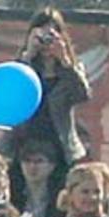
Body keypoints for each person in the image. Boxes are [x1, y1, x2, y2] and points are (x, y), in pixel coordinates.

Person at [14, 7, 91, 169]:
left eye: (51, 37)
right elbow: (12, 94)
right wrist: (28, 56)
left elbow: (82, 95)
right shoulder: (21, 66)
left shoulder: (71, 69)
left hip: (60, 148)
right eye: (42, 37)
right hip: (25, 146)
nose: (46, 45)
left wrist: (64, 60)